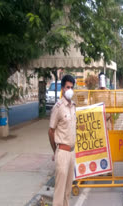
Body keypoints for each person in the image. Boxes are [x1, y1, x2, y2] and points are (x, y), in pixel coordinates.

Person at [48, 75, 76, 206]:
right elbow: (51, 131)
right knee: (59, 191)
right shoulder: (58, 107)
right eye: (67, 87)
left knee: (67, 190)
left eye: (72, 87)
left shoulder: (73, 106)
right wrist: (56, 151)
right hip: (62, 152)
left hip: (71, 152)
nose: (70, 90)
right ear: (63, 89)